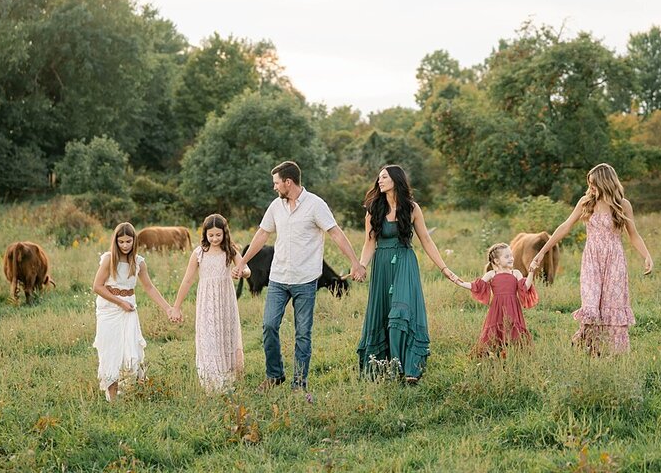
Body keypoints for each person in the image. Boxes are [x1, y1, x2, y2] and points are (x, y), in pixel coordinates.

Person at [235, 161, 366, 394]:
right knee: (268, 325)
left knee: (303, 334)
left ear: (288, 182)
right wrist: (243, 262)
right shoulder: (276, 206)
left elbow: (335, 233)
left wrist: (355, 263)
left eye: (276, 183)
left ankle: (299, 384)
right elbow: (262, 234)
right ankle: (274, 375)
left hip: (306, 281)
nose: (274, 187)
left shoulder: (316, 205)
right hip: (277, 278)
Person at [532, 163, 654, 354]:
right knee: (590, 304)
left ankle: (611, 353)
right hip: (592, 260)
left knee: (611, 306)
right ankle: (588, 346)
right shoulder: (585, 202)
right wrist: (542, 252)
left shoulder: (622, 205)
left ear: (606, 183)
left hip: (614, 262)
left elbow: (634, 235)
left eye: (594, 184)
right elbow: (565, 226)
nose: (591, 188)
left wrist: (647, 256)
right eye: (590, 184)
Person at [356, 164, 461, 384]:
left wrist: (445, 268)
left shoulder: (412, 208)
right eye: (379, 178)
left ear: (396, 180)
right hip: (382, 265)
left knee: (400, 313)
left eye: (384, 177)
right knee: (383, 312)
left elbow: (426, 240)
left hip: (404, 262)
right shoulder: (373, 209)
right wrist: (362, 265)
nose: (380, 180)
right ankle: (383, 367)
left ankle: (409, 368)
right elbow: (369, 243)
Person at [92, 222, 181, 401]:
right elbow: (97, 286)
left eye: (128, 241)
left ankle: (136, 389)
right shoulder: (109, 259)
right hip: (109, 308)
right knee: (111, 349)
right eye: (121, 242)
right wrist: (119, 302)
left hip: (129, 307)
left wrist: (168, 308)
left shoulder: (138, 262)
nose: (125, 245)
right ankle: (112, 397)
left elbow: (149, 287)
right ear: (116, 242)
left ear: (134, 241)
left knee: (131, 348)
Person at [170, 214, 250, 393]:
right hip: (207, 302)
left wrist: (241, 272)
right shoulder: (199, 253)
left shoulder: (230, 250)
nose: (214, 239)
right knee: (209, 338)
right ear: (205, 234)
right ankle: (212, 382)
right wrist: (176, 306)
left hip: (226, 301)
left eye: (218, 235)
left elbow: (246, 269)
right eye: (211, 235)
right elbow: (187, 281)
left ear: (225, 233)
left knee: (226, 337)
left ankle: (228, 380)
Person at [456, 242, 539, 355]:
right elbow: (477, 286)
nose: (511, 258)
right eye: (507, 256)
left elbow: (525, 287)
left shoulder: (516, 273)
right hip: (497, 307)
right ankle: (493, 352)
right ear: (496, 261)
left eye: (511, 255)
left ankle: (516, 354)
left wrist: (531, 272)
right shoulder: (492, 274)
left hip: (513, 306)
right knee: (496, 327)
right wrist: (460, 282)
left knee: (514, 327)